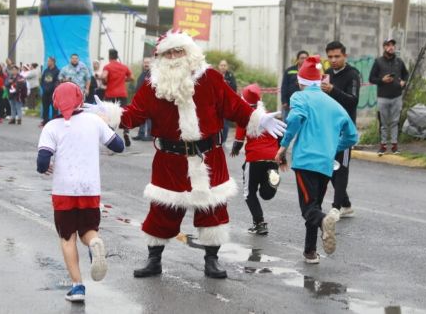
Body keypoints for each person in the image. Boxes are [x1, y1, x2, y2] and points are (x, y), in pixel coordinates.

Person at [90, 29, 285, 279]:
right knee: (161, 210)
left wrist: (256, 118)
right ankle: (154, 260)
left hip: (209, 157)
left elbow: (233, 105)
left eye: (178, 51)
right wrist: (109, 115)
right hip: (169, 160)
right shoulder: (153, 86)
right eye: (168, 53)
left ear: (190, 52)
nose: (174, 56)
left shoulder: (211, 78)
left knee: (213, 210)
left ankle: (211, 260)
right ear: (161, 58)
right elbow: (134, 114)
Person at [37, 82, 125, 303]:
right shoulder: (94, 121)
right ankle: (94, 243)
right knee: (88, 230)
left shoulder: (52, 126)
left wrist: (44, 166)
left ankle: (77, 287)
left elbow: (42, 162)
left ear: (56, 103)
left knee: (67, 238)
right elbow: (119, 146)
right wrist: (106, 122)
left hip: (63, 190)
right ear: (80, 99)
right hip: (90, 188)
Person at [274, 55, 359, 265]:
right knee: (316, 204)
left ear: (301, 82)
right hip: (325, 164)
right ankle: (310, 252)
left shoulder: (299, 98)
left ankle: (323, 222)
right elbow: (352, 136)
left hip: (305, 161)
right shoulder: (335, 105)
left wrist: (283, 147)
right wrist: (333, 148)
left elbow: (295, 119)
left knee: (309, 209)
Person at [230, 84, 280, 235]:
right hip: (273, 156)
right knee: (266, 194)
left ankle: (259, 223)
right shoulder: (267, 114)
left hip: (255, 157)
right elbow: (279, 133)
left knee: (249, 193)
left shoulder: (244, 116)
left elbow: (238, 140)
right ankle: (272, 180)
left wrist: (235, 150)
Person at [322, 41, 361, 218]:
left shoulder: (353, 75)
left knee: (342, 168)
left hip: (345, 131)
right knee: (329, 167)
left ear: (345, 56)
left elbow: (353, 101)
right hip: (329, 129)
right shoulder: (327, 74)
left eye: (337, 56)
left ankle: (336, 207)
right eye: (330, 57)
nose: (333, 60)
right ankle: (345, 203)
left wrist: (333, 90)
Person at [368, 39, 409, 155]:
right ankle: (383, 146)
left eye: (393, 45)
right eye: (388, 45)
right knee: (383, 123)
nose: (391, 47)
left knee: (395, 122)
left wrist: (404, 82)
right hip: (383, 97)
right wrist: (382, 80)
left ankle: (395, 146)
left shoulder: (399, 62)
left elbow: (406, 73)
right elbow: (371, 78)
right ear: (384, 47)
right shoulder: (378, 62)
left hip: (397, 96)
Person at [101, 49, 133, 147]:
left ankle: (110, 135)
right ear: (117, 56)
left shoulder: (107, 66)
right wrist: (123, 80)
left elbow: (103, 76)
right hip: (122, 94)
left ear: (109, 56)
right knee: (123, 114)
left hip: (110, 94)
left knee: (107, 115)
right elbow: (132, 77)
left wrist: (105, 82)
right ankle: (126, 132)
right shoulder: (123, 67)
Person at [280, 50, 309, 121]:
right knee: (287, 123)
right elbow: (284, 86)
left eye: (306, 58)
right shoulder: (289, 70)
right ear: (297, 59)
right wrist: (284, 101)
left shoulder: (310, 72)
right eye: (302, 58)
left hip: (305, 103)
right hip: (290, 104)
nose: (304, 60)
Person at [132, 57, 152, 141]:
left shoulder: (152, 74)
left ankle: (150, 135)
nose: (146, 64)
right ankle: (141, 133)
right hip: (141, 99)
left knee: (149, 117)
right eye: (145, 62)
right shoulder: (143, 73)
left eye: (148, 62)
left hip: (149, 99)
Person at [218, 60, 238, 141]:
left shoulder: (230, 76)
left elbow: (234, 89)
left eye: (224, 65)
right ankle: (217, 139)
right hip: (217, 103)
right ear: (219, 66)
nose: (223, 67)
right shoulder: (216, 75)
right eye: (221, 65)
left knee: (225, 123)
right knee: (217, 122)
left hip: (226, 103)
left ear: (227, 67)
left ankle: (224, 140)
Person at [40, 56, 60, 126]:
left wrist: (51, 89)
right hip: (45, 93)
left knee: (54, 108)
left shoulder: (57, 71)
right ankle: (45, 120)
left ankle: (55, 122)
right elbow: (42, 80)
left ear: (53, 62)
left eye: (49, 61)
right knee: (45, 107)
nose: (47, 62)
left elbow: (57, 82)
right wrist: (43, 87)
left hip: (53, 93)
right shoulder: (46, 70)